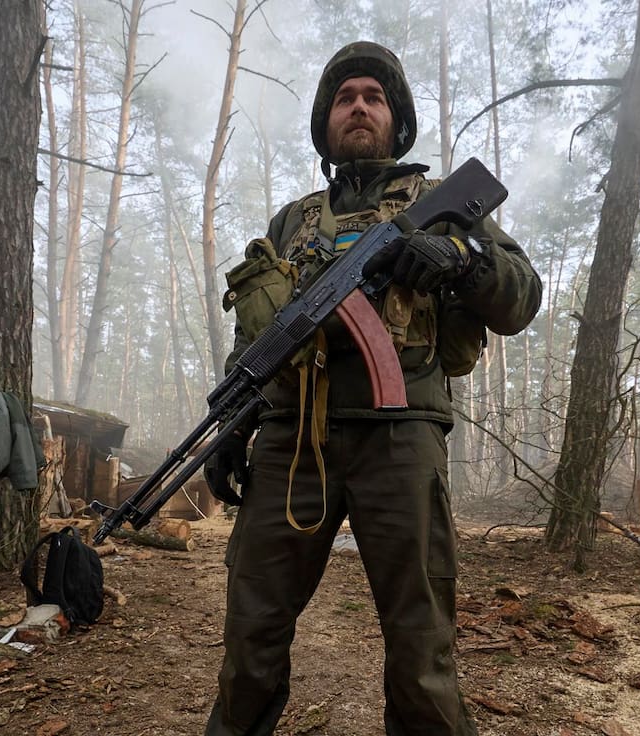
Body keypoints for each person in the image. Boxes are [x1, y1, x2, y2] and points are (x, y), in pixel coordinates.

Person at [203, 41, 542, 736]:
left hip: (402, 434)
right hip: (293, 440)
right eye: (344, 98)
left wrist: (460, 258)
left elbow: (522, 299)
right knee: (251, 635)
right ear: (326, 124)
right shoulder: (292, 223)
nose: (358, 107)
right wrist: (232, 427)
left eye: (374, 97)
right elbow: (257, 341)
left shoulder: (438, 204)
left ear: (397, 118)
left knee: (421, 646)